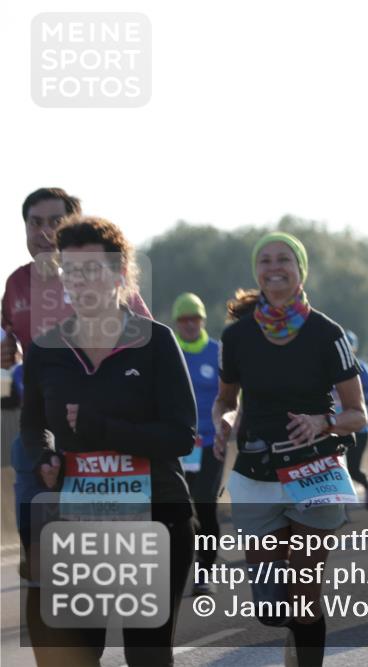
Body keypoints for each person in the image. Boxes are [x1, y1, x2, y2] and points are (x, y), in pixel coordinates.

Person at [20, 215, 196, 666]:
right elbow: (32, 425)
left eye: (92, 270)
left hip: (156, 515)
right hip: (81, 520)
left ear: (119, 274)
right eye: (71, 272)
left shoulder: (156, 342)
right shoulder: (47, 349)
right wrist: (44, 455)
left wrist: (105, 429)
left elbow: (181, 435)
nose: (81, 282)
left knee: (146, 655)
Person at [213, 231, 368, 667]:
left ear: (300, 271)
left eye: (284, 259)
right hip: (257, 473)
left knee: (303, 595)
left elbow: (358, 413)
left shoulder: (326, 333)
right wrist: (223, 421)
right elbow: (226, 399)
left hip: (313, 470)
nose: (274, 266)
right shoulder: (238, 337)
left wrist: (324, 421)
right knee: (271, 607)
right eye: (265, 260)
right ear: (256, 272)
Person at [2, 188, 151, 558]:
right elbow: (9, 352)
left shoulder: (106, 279)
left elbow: (150, 347)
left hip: (104, 434)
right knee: (38, 547)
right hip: (39, 431)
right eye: (34, 223)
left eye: (55, 221)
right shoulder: (16, 285)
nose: (44, 232)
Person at [171, 292, 224, 595]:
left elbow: (232, 397)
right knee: (176, 509)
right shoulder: (170, 352)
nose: (189, 324)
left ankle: (205, 573)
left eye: (195, 318)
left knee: (205, 505)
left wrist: (227, 425)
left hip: (211, 443)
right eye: (183, 319)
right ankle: (178, 569)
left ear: (203, 320)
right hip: (177, 445)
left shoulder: (217, 353)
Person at [341, 329, 368, 510]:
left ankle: (367, 484)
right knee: (338, 470)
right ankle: (342, 508)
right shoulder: (327, 367)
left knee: (353, 470)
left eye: (349, 347)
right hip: (335, 428)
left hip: (359, 429)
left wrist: (353, 397)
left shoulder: (361, 367)